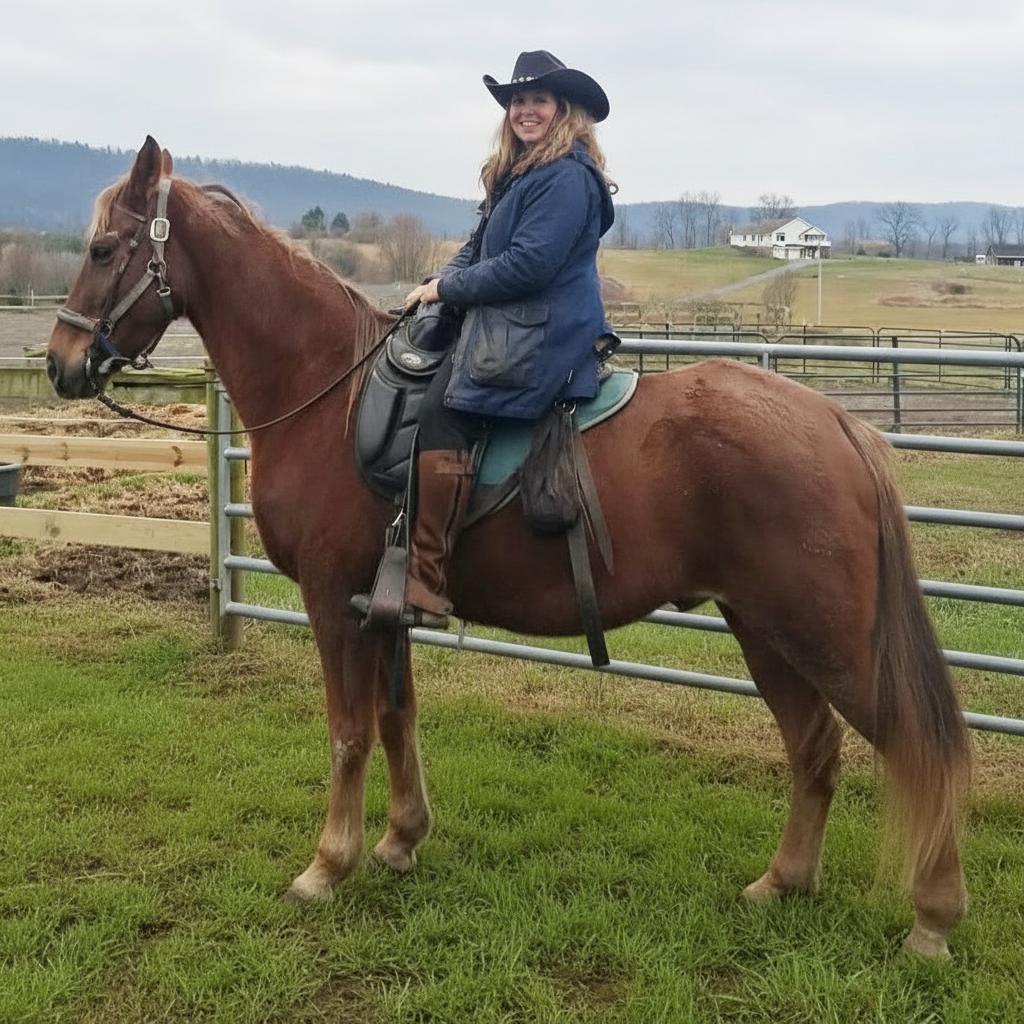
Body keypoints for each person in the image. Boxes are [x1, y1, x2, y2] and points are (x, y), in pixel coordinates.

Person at [376, 49, 617, 630]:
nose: (525, 110)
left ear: (563, 109)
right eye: (517, 101)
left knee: (445, 411)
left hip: (543, 331)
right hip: (514, 322)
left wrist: (448, 289)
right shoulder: (520, 173)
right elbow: (479, 247)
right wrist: (437, 283)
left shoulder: (565, 177)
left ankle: (426, 578)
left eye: (538, 100)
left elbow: (528, 265)